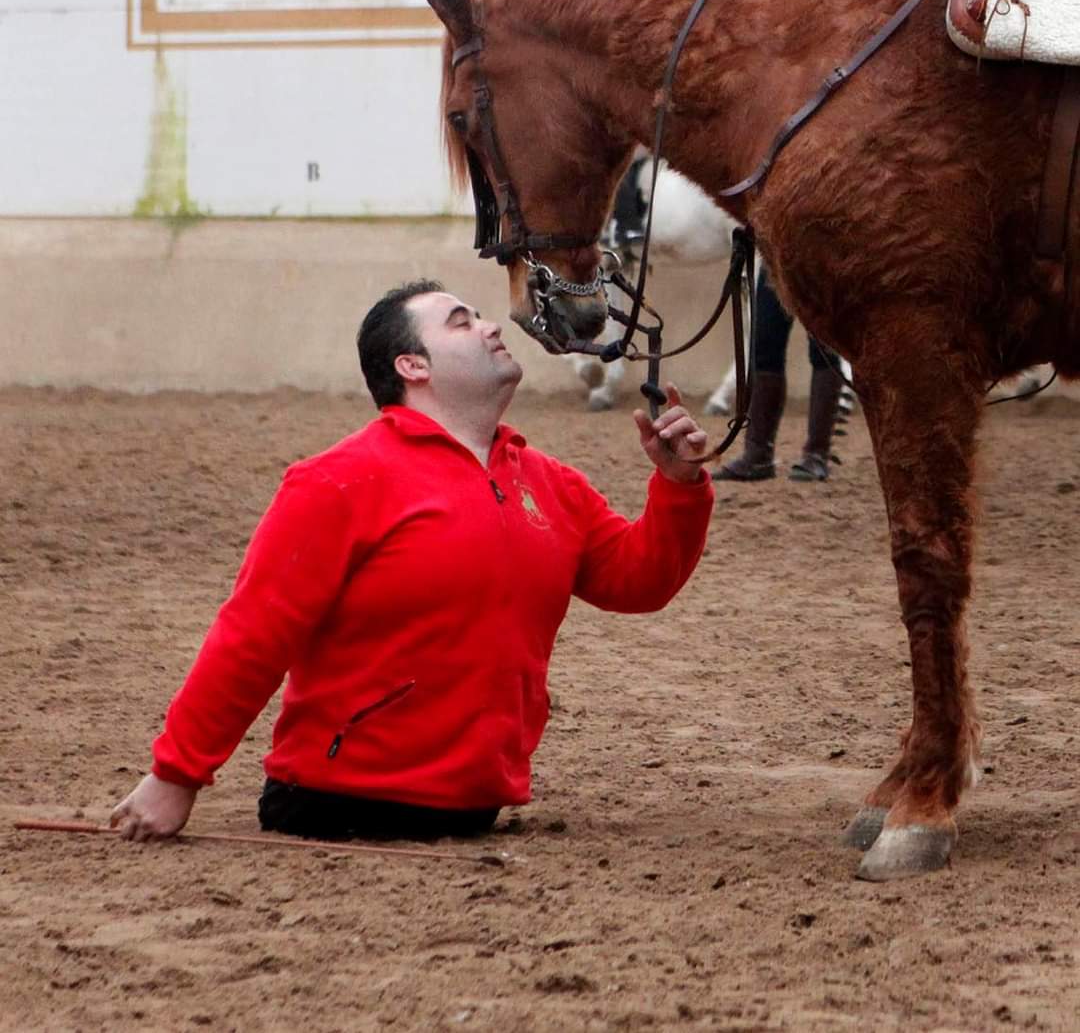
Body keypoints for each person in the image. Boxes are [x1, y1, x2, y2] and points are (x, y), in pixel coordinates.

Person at [110, 279, 713, 845]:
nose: (489, 326)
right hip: (332, 815)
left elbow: (639, 580)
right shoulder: (334, 482)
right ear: (412, 366)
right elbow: (252, 634)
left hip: (475, 815)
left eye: (478, 316)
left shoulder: (548, 482)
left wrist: (679, 489)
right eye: (460, 322)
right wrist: (176, 775)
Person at [714, 264, 843, 483]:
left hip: (822, 255)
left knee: (824, 348)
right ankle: (758, 454)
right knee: (764, 345)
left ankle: (817, 454)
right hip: (777, 257)